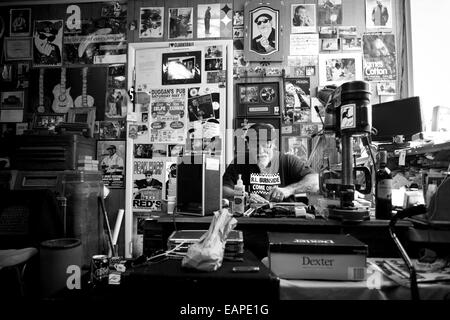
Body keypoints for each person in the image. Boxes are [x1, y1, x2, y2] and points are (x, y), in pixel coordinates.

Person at [223, 123, 319, 203]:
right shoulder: (239, 162)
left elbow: (315, 181)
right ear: (248, 145)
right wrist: (244, 196)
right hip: (250, 218)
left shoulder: (288, 161)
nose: (260, 151)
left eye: (265, 145)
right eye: (255, 146)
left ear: (273, 144)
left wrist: (289, 190)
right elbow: (223, 190)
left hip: (283, 217)